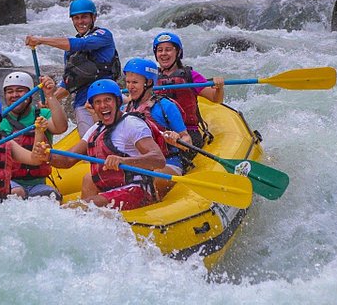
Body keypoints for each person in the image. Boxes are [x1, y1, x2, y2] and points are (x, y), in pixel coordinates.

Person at [47, 79, 166, 210]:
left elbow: (158, 160)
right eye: (97, 102)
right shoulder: (96, 129)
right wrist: (47, 156)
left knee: (77, 208)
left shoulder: (132, 124)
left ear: (117, 102)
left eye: (107, 100)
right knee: (89, 181)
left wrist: (124, 161)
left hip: (136, 191)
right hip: (111, 189)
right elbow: (68, 160)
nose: (103, 105)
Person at [25, 0, 121, 137]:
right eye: (76, 18)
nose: (80, 21)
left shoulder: (103, 35)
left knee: (113, 141)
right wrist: (51, 99)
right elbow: (68, 83)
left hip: (106, 100)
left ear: (93, 17)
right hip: (83, 103)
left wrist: (41, 40)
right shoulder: (70, 51)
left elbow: (81, 44)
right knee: (91, 144)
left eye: (84, 17)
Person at [123, 58, 192, 199]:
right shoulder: (126, 109)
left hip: (168, 163)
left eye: (135, 82)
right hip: (139, 163)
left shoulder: (165, 107)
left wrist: (177, 139)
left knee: (149, 181)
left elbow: (187, 140)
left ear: (148, 82)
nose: (130, 87)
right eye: (128, 82)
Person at [0, 71, 68, 201]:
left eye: (20, 91)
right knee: (16, 193)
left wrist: (50, 95)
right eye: (9, 91)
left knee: (51, 197)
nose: (14, 95)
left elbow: (61, 127)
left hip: (37, 183)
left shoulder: (43, 114)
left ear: (30, 94)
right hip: (9, 182)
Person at [152, 32, 224, 152]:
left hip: (189, 131)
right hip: (160, 131)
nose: (163, 53)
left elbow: (215, 99)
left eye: (168, 49)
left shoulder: (190, 76)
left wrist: (219, 87)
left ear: (178, 52)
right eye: (160, 50)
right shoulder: (151, 78)